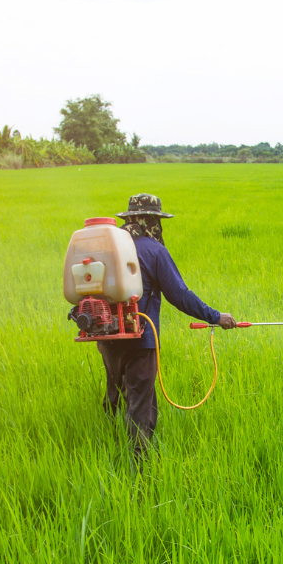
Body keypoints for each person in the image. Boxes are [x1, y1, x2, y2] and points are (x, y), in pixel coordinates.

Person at [98, 193, 236, 461]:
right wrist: (215, 316)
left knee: (117, 394)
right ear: (152, 221)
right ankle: (139, 471)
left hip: (107, 336)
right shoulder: (155, 251)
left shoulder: (108, 248)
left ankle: (107, 446)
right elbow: (180, 295)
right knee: (141, 407)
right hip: (141, 339)